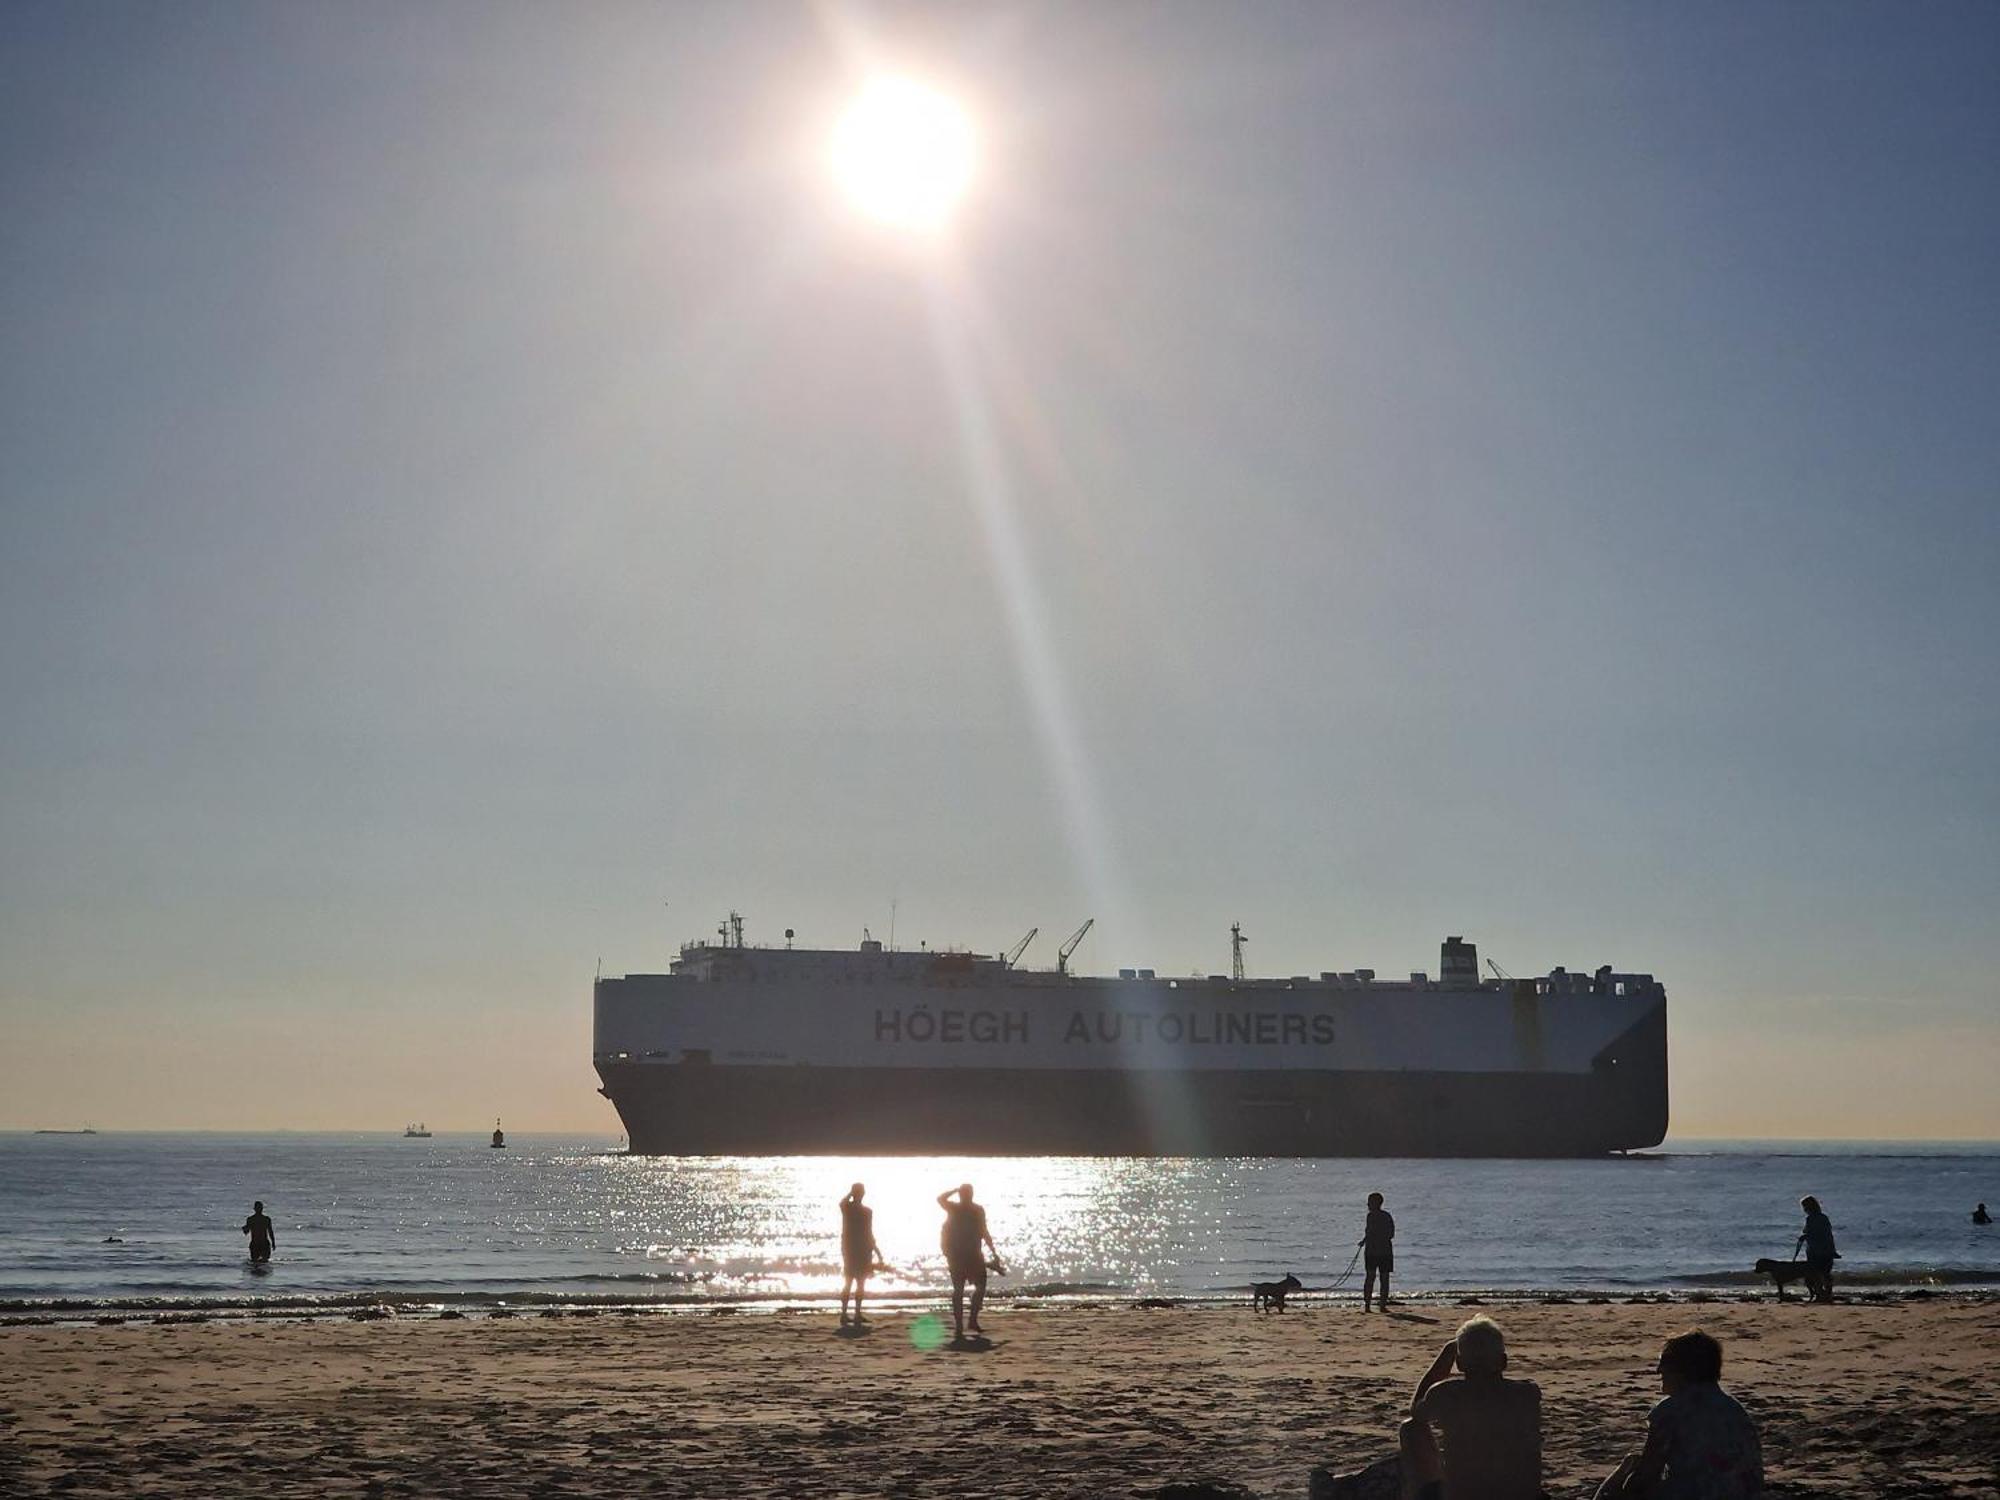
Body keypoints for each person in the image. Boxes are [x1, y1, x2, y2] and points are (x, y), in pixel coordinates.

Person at [1593, 1330, 1763, 1499]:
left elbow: (1647, 1474)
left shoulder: (1671, 1411)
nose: (1658, 1371)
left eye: (1665, 1363)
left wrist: (1623, 1481)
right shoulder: (1733, 1409)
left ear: (1684, 1369)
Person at [1400, 1315, 1543, 1500]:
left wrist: (1446, 1355)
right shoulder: (1528, 1393)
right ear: (1504, 1362)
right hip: (1523, 1495)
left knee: (1410, 1427)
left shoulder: (1446, 1393)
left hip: (1462, 1494)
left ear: (1459, 1364)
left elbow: (1416, 1412)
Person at [937, 1183, 1001, 1341]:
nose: (968, 1196)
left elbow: (983, 1230)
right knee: (960, 1289)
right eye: (966, 1193)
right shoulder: (955, 1208)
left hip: (971, 1254)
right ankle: (962, 1324)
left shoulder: (975, 1210)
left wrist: (992, 1249)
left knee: (978, 1286)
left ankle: (970, 1320)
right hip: (959, 1254)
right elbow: (940, 1199)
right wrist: (954, 1189)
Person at [838, 1183, 886, 1326]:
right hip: (858, 1249)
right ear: (863, 1193)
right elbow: (869, 1233)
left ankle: (847, 1313)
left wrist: (876, 1251)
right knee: (857, 1282)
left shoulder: (851, 1209)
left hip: (853, 1248)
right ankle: (853, 1314)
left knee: (851, 1281)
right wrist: (876, 1251)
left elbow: (868, 1232)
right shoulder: (862, 1211)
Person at [1794, 1196, 1838, 1303]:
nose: (1803, 1209)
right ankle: (1828, 1295)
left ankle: (1820, 1295)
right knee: (1826, 1274)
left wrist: (1804, 1236)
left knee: (1815, 1274)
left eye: (1804, 1207)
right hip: (1827, 1250)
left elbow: (1811, 1233)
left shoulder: (1810, 1219)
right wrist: (1833, 1250)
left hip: (1815, 1251)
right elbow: (1828, 1235)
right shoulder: (1824, 1217)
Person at [1361, 1191, 1396, 1312]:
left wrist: (1368, 1240)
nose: (1368, 1205)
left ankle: (1368, 1306)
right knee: (1383, 1279)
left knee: (1371, 1278)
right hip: (1384, 1251)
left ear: (1376, 1203)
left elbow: (1370, 1232)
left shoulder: (1371, 1216)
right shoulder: (1386, 1216)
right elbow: (1391, 1234)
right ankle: (1381, 1306)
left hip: (1373, 1252)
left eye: (1370, 1202)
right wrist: (1365, 1240)